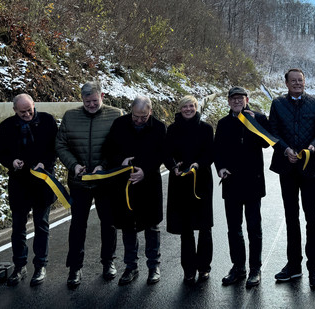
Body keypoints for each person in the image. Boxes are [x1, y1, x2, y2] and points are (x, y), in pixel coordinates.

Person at [56, 81, 123, 289]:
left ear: (102, 96)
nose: (91, 105)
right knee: (77, 225)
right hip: (79, 181)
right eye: (87, 102)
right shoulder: (70, 116)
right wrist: (73, 165)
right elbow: (60, 144)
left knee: (108, 222)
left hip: (106, 180)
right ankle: (75, 267)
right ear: (81, 99)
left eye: (95, 100)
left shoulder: (115, 114)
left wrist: (104, 165)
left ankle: (108, 262)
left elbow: (119, 145)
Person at [268, 68, 315, 288]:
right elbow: (272, 132)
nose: (297, 83)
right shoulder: (277, 104)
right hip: (287, 169)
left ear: (304, 82)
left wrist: (313, 148)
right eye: (293, 80)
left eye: (300, 80)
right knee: (291, 218)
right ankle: (293, 266)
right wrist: (285, 150)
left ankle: (313, 268)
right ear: (286, 83)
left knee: (312, 220)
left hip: (310, 168)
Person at [0, 93, 58, 287]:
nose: (27, 114)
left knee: (41, 225)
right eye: (22, 112)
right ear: (14, 110)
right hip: (19, 183)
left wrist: (45, 163)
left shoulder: (47, 121)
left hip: (42, 181)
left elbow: (56, 148)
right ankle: (19, 265)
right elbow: (1, 153)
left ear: (34, 106)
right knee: (18, 228)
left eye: (30, 110)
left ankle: (40, 265)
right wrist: (12, 161)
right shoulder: (6, 126)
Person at [104, 96, 166, 286]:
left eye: (143, 117)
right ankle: (131, 266)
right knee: (128, 226)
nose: (139, 120)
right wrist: (120, 160)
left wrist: (145, 170)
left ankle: (153, 266)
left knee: (152, 226)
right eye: (136, 116)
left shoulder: (159, 127)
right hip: (125, 184)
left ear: (150, 112)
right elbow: (108, 150)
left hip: (149, 183)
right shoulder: (119, 124)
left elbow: (162, 153)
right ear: (131, 111)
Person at [214, 87, 269, 288]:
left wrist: (256, 121)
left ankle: (255, 268)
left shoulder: (258, 118)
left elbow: (266, 143)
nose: (237, 101)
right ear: (228, 101)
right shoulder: (223, 123)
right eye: (233, 98)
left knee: (254, 228)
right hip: (231, 182)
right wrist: (220, 168)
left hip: (253, 181)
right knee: (233, 228)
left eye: (241, 98)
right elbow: (217, 150)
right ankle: (238, 267)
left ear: (247, 100)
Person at [164, 95, 214, 285]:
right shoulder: (172, 129)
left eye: (191, 106)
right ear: (180, 108)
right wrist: (173, 166)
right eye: (185, 107)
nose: (188, 109)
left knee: (204, 227)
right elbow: (166, 153)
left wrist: (198, 164)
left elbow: (210, 154)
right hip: (180, 182)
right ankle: (189, 269)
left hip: (201, 181)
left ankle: (204, 268)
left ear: (196, 107)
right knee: (186, 229)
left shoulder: (207, 128)